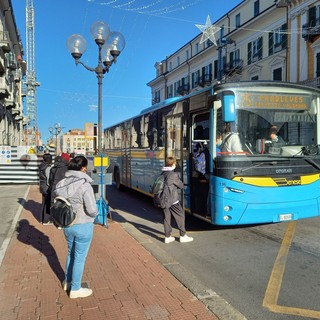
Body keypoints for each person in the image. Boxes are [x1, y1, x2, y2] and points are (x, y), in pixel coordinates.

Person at [53, 155, 98, 299]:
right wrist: (96, 214)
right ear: (83, 168)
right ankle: (76, 289)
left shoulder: (62, 183)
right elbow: (92, 210)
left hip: (67, 224)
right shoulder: (85, 185)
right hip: (83, 225)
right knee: (79, 257)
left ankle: (68, 281)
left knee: (70, 253)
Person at [161, 156, 193, 244]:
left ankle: (167, 237)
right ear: (173, 164)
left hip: (163, 199)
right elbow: (181, 185)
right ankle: (183, 236)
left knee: (166, 218)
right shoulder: (173, 175)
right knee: (180, 215)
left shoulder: (163, 173)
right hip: (172, 200)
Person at [39, 153, 53, 224]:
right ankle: (46, 220)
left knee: (44, 203)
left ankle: (42, 219)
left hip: (42, 186)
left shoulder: (42, 165)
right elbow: (48, 180)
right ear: (48, 159)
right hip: (46, 187)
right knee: (47, 204)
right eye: (51, 158)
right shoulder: (48, 167)